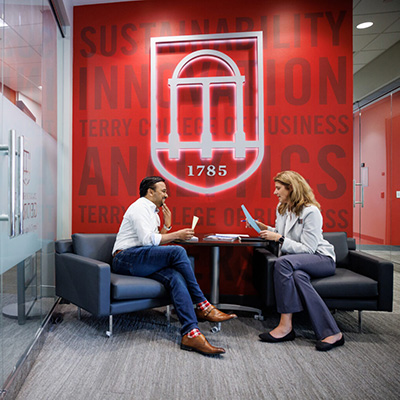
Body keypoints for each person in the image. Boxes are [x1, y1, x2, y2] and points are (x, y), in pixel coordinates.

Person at [112, 176, 237, 355]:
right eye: (163, 191)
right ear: (150, 192)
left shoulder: (152, 212)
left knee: (175, 278)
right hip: (125, 259)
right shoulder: (139, 207)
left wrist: (167, 227)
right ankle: (202, 305)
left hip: (140, 259)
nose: (167, 195)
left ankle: (190, 333)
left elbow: (152, 245)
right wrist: (175, 234)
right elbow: (148, 241)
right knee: (177, 251)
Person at [253, 171, 344, 351]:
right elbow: (283, 233)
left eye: (278, 188)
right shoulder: (283, 209)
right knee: (297, 276)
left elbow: (308, 249)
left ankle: (285, 325)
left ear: (291, 188)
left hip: (321, 259)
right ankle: (332, 332)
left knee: (283, 263)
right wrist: (264, 228)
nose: (275, 192)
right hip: (300, 264)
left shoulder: (311, 212)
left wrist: (278, 238)